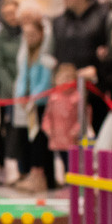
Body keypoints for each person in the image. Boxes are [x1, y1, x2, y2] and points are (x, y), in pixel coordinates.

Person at [51, 0, 112, 136]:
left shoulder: (104, 17)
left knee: (99, 139)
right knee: (71, 139)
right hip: (68, 92)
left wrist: (98, 72)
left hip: (97, 92)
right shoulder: (59, 22)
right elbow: (56, 55)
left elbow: (109, 53)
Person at [12, 17, 55, 192]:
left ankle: (42, 178)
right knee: (31, 139)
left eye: (33, 34)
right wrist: (21, 95)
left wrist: (34, 98)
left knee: (41, 141)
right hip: (29, 105)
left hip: (42, 103)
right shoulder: (26, 55)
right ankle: (35, 175)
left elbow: (45, 82)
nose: (29, 38)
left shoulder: (45, 55)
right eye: (27, 35)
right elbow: (23, 77)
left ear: (41, 34)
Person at [39, 62, 85, 193]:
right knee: (62, 160)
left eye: (69, 78)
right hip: (57, 136)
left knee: (72, 162)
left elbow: (83, 117)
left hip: (71, 137)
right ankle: (66, 184)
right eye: (63, 78)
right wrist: (47, 127)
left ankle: (73, 186)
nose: (65, 82)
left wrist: (77, 130)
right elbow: (47, 115)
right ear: (56, 80)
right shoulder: (54, 96)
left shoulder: (77, 97)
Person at [0, 0, 22, 179]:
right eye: (6, 14)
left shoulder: (27, 32)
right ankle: (10, 168)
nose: (11, 17)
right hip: (9, 92)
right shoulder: (0, 37)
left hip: (30, 90)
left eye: (13, 12)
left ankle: (26, 169)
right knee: (9, 129)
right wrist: (12, 87)